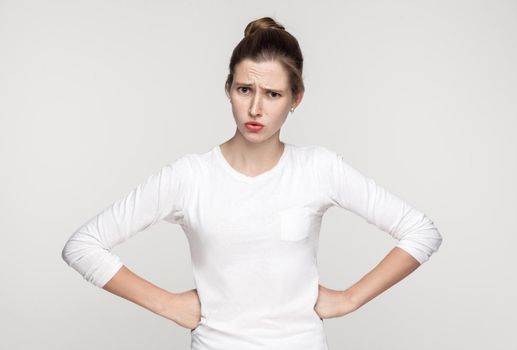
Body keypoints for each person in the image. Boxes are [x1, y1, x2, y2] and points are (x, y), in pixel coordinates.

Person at [61, 16, 443, 350]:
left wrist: (350, 299)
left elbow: (421, 232)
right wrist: (168, 304)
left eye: (273, 94)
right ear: (229, 88)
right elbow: (83, 246)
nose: (256, 108)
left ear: (296, 98)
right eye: (245, 90)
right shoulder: (190, 177)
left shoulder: (318, 169)